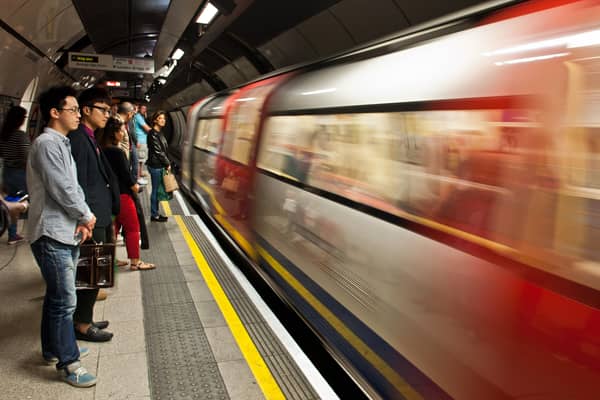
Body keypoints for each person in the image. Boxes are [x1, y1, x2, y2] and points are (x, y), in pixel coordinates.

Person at [27, 86, 97, 387]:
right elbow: (61, 188)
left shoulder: (62, 143)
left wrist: (83, 218)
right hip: (51, 232)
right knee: (66, 301)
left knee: (57, 298)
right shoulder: (46, 144)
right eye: (73, 109)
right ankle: (68, 364)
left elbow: (74, 187)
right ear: (55, 113)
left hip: (65, 230)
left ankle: (53, 348)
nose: (79, 114)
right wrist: (85, 215)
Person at [69, 87, 119, 342]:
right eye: (103, 110)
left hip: (98, 214)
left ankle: (84, 316)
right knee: (89, 273)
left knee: (94, 273)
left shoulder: (89, 136)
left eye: (109, 111)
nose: (107, 116)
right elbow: (75, 182)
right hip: (92, 217)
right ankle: (82, 324)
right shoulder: (79, 139)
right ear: (86, 110)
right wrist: (84, 216)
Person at [100, 116, 155, 270]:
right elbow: (125, 174)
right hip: (123, 195)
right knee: (132, 227)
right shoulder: (117, 152)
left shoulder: (101, 149)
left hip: (109, 195)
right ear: (115, 133)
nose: (123, 134)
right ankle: (135, 262)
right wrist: (134, 186)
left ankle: (111, 259)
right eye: (121, 131)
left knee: (114, 228)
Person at [0, 105, 30, 244]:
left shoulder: (3, 135)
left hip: (7, 172)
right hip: (19, 173)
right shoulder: (20, 136)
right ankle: (12, 232)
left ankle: (12, 232)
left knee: (13, 200)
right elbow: (27, 156)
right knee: (22, 202)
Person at [146, 110, 170, 222]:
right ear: (155, 120)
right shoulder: (152, 134)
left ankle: (156, 212)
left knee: (158, 190)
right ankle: (154, 215)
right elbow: (158, 151)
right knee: (155, 190)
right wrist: (167, 163)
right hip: (156, 166)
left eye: (164, 118)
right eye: (160, 118)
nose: (163, 120)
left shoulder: (159, 132)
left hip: (158, 164)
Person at [132, 104, 151, 185]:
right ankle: (138, 178)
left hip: (142, 140)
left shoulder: (141, 117)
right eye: (143, 108)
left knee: (141, 160)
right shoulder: (138, 117)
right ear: (139, 109)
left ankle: (139, 174)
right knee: (139, 161)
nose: (144, 110)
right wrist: (156, 132)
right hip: (141, 141)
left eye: (145, 108)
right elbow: (147, 128)